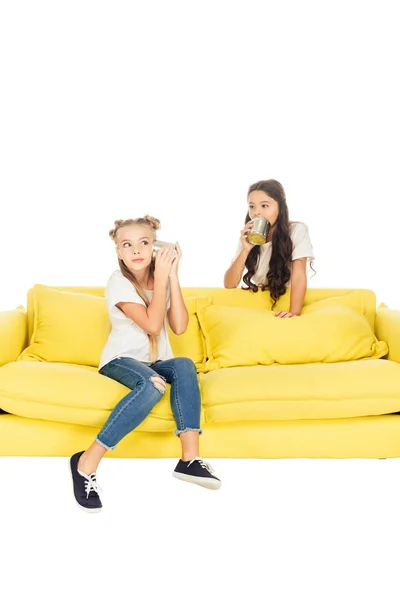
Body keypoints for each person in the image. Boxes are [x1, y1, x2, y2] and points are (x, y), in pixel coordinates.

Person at [70, 215, 221, 513]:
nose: (136, 250)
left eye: (144, 243)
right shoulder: (119, 282)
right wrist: (163, 279)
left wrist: (173, 275)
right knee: (153, 385)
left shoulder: (161, 279)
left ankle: (189, 459)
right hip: (120, 361)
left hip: (156, 361)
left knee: (184, 365)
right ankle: (86, 462)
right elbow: (153, 326)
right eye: (127, 245)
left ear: (154, 246)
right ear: (118, 251)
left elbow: (178, 326)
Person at [224, 179, 315, 317]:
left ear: (280, 207)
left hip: (288, 302)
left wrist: (293, 313)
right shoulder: (247, 236)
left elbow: (298, 275)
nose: (256, 213)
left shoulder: (297, 230)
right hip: (260, 305)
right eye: (252, 206)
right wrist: (246, 250)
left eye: (264, 206)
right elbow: (229, 285)